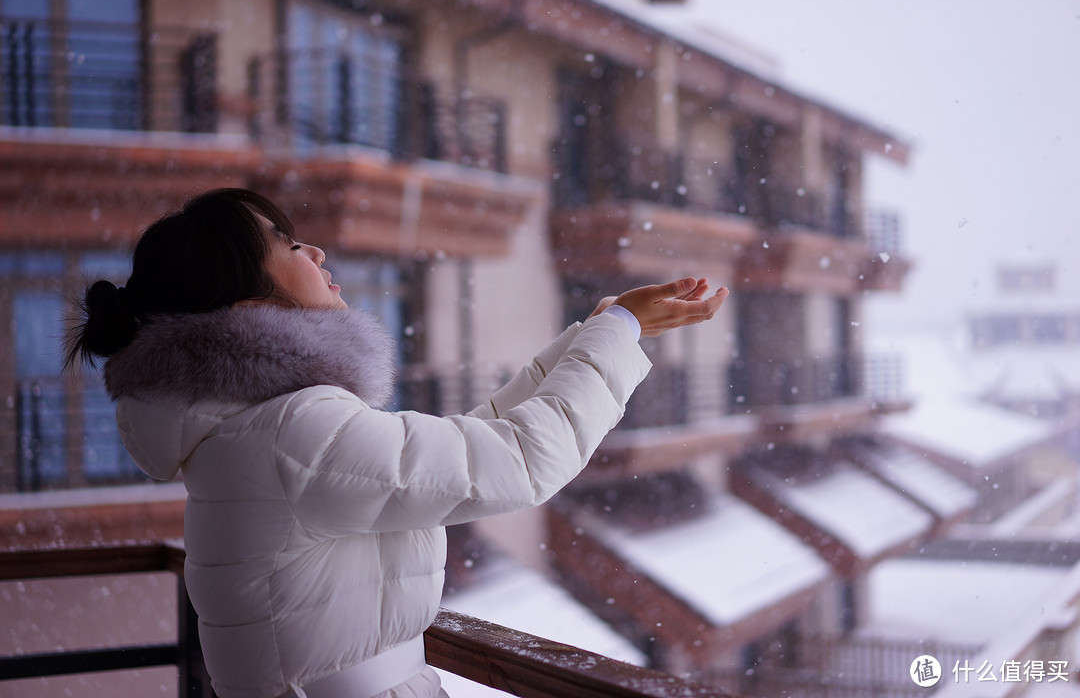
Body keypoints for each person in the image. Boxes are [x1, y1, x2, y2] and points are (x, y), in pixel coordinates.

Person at [65, 187, 728, 698]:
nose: (316, 253)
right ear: (244, 308)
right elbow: (519, 462)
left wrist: (596, 335)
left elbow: (466, 451)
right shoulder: (293, 434)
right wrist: (617, 334)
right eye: (290, 246)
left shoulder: (257, 430)